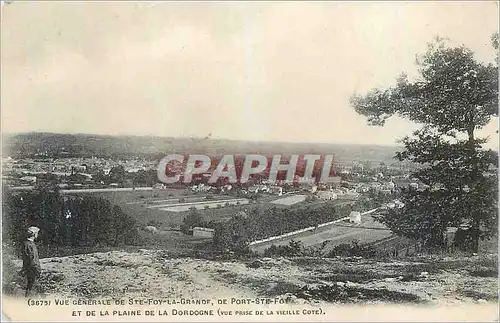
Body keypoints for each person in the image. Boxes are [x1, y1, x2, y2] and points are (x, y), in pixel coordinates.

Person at [21, 226, 41, 298]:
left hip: (30, 269)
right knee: (31, 288)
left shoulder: (27, 244)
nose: (37, 235)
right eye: (37, 233)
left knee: (30, 287)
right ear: (34, 234)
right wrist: (37, 269)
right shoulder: (29, 245)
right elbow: (32, 259)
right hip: (32, 269)